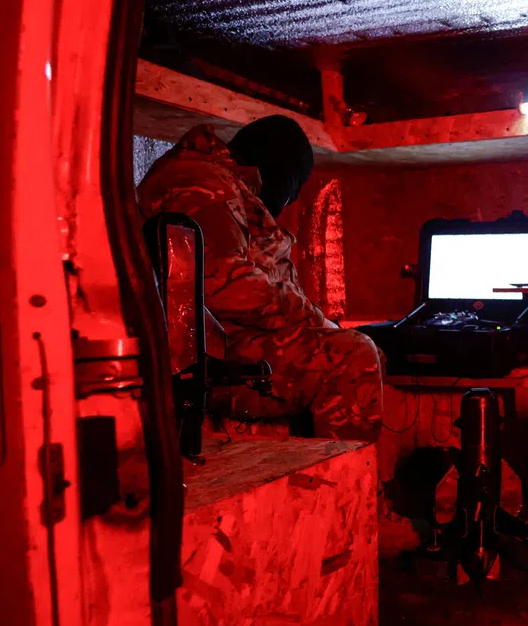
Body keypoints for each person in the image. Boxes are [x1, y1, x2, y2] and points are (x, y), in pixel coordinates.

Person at [138, 116, 383, 441]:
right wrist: (316, 320)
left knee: (369, 352)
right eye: (290, 189)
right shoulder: (202, 184)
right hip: (205, 362)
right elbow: (227, 287)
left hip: (221, 347)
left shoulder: (222, 183)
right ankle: (346, 488)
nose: (286, 202)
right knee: (352, 357)